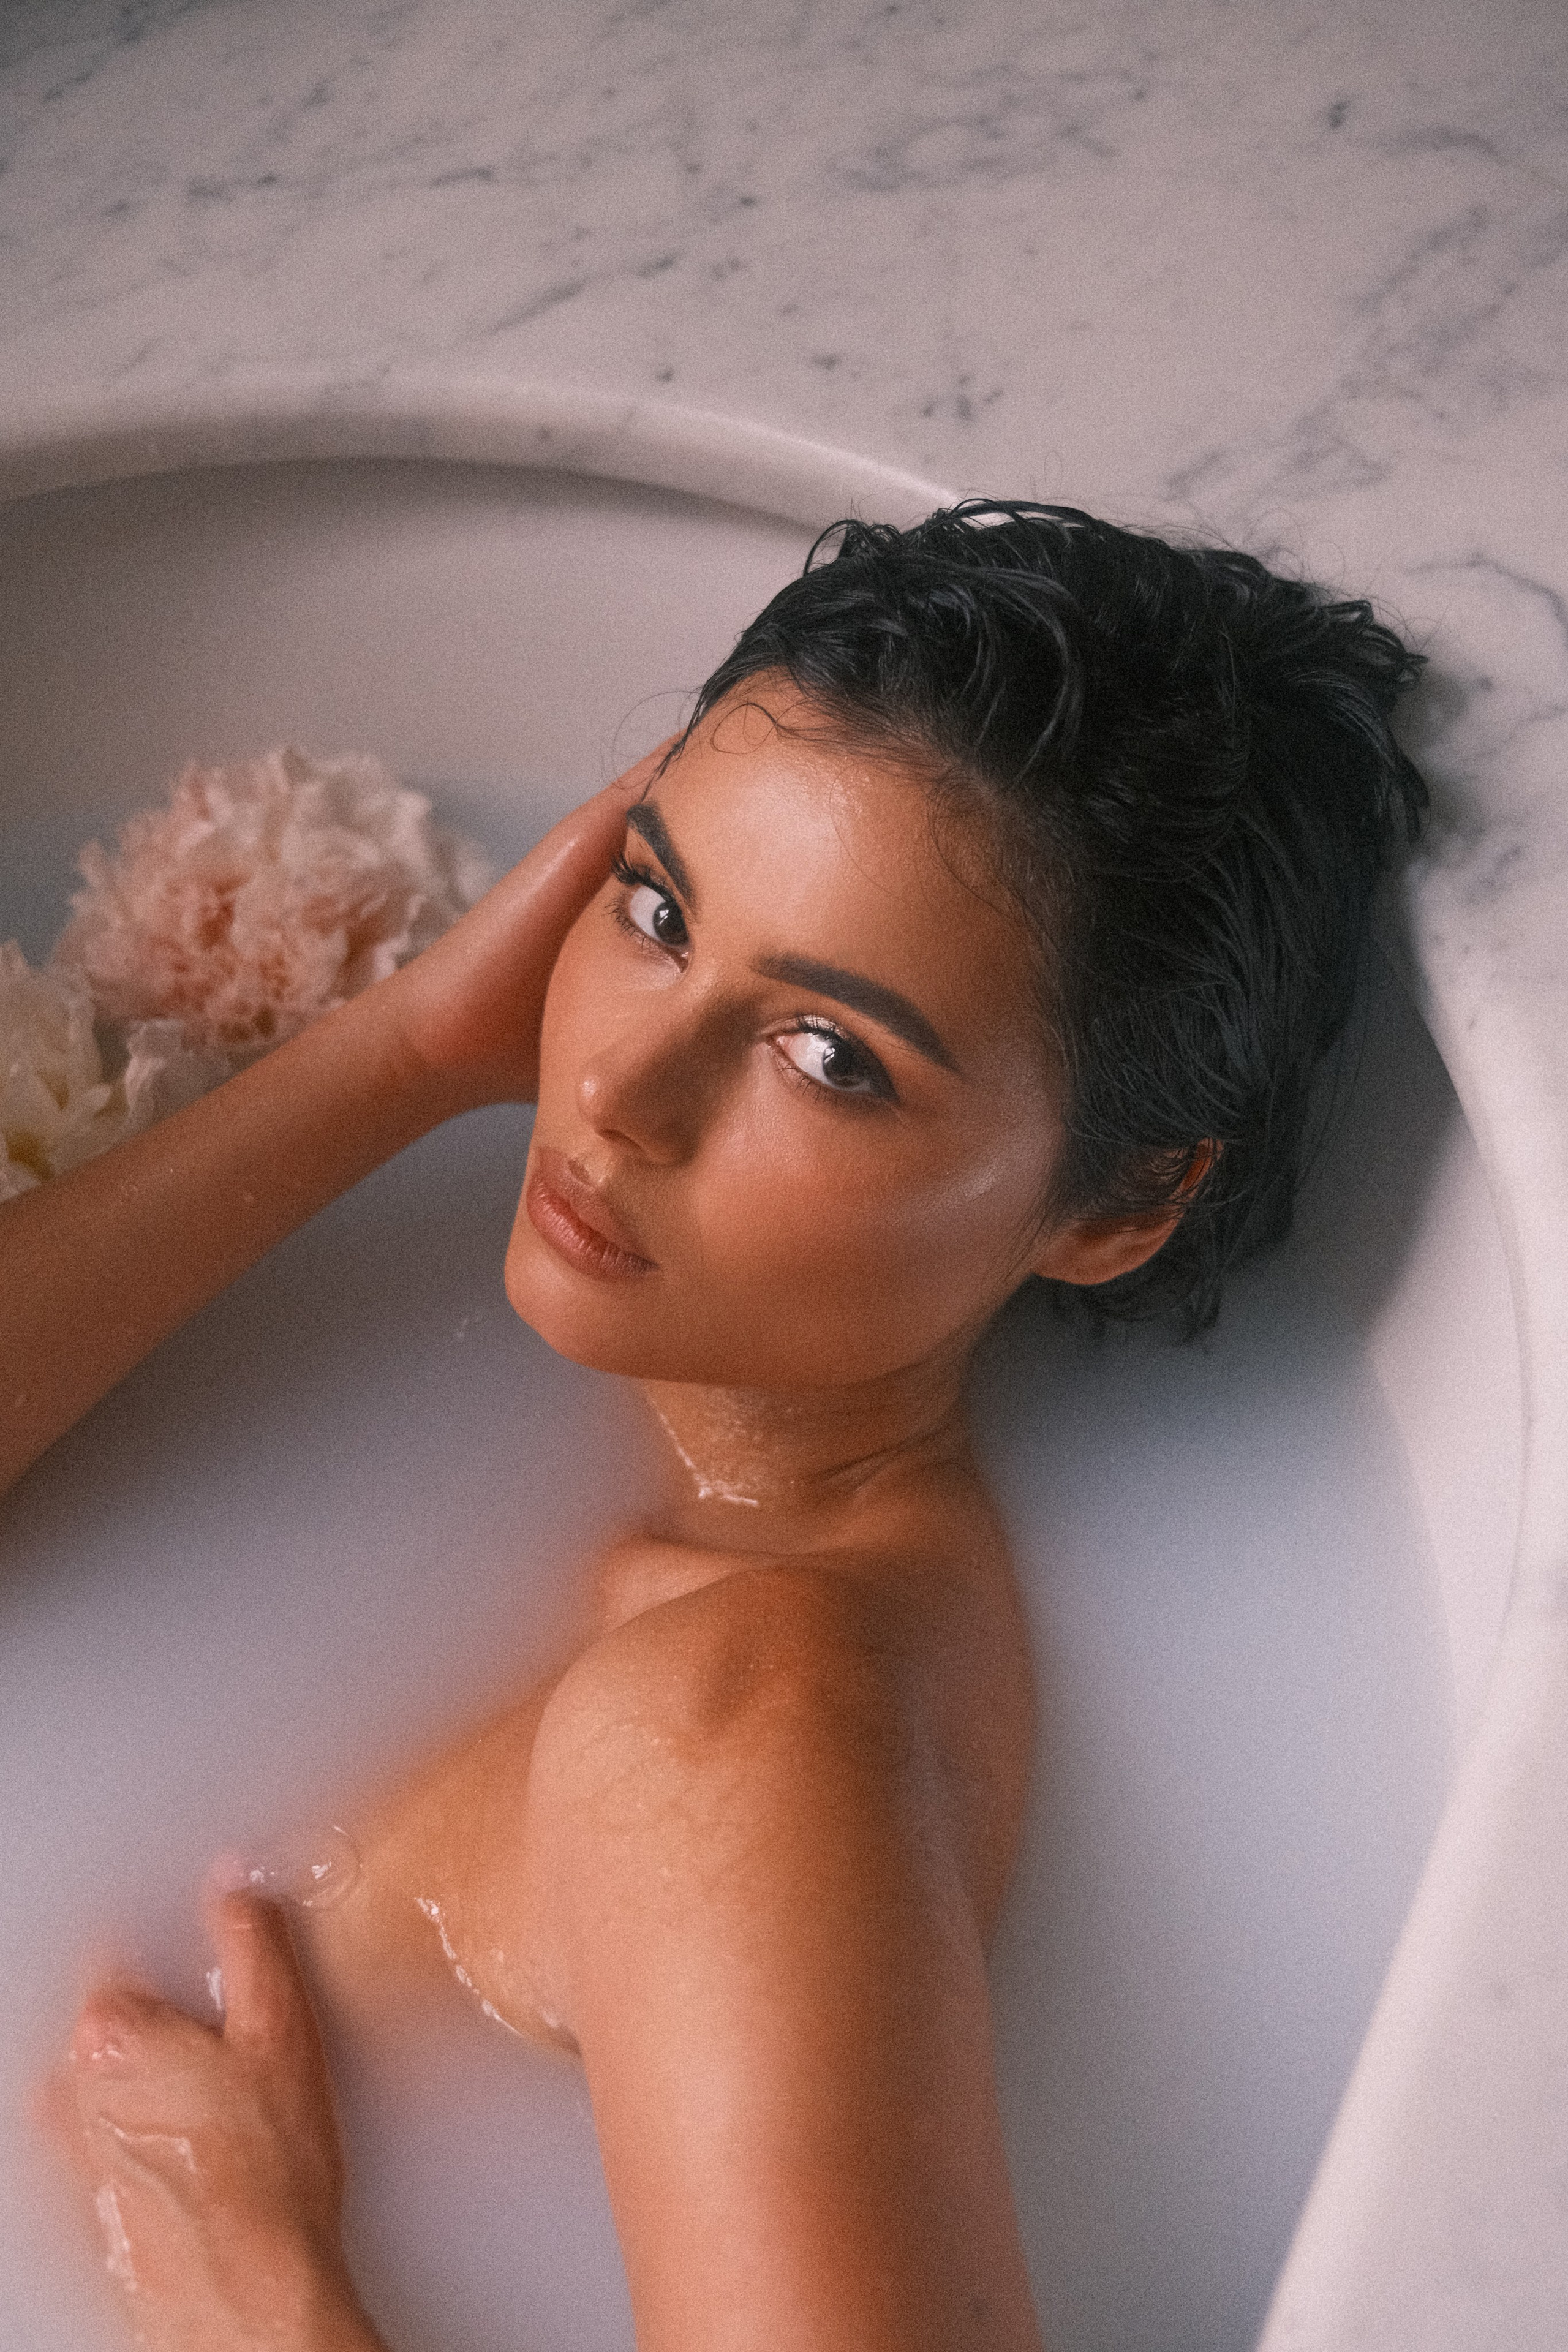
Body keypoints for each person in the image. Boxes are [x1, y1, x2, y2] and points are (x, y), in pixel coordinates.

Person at [15, 503, 1428, 2352]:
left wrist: (254, 2297)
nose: (612, 1083)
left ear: (1118, 1207)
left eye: (831, 1054)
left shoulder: (742, 1738)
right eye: (659, 909)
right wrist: (418, 1048)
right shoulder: (680, 1465)